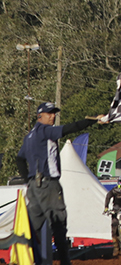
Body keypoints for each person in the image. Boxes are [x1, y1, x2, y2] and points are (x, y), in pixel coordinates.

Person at [16, 102, 104, 265]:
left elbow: (19, 159)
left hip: (34, 188)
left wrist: (27, 181)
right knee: (59, 222)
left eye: (54, 112)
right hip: (49, 184)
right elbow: (70, 128)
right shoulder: (45, 131)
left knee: (33, 228)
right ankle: (65, 261)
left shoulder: (28, 136)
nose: (53, 116)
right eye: (50, 113)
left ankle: (28, 260)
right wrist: (93, 121)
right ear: (39, 116)